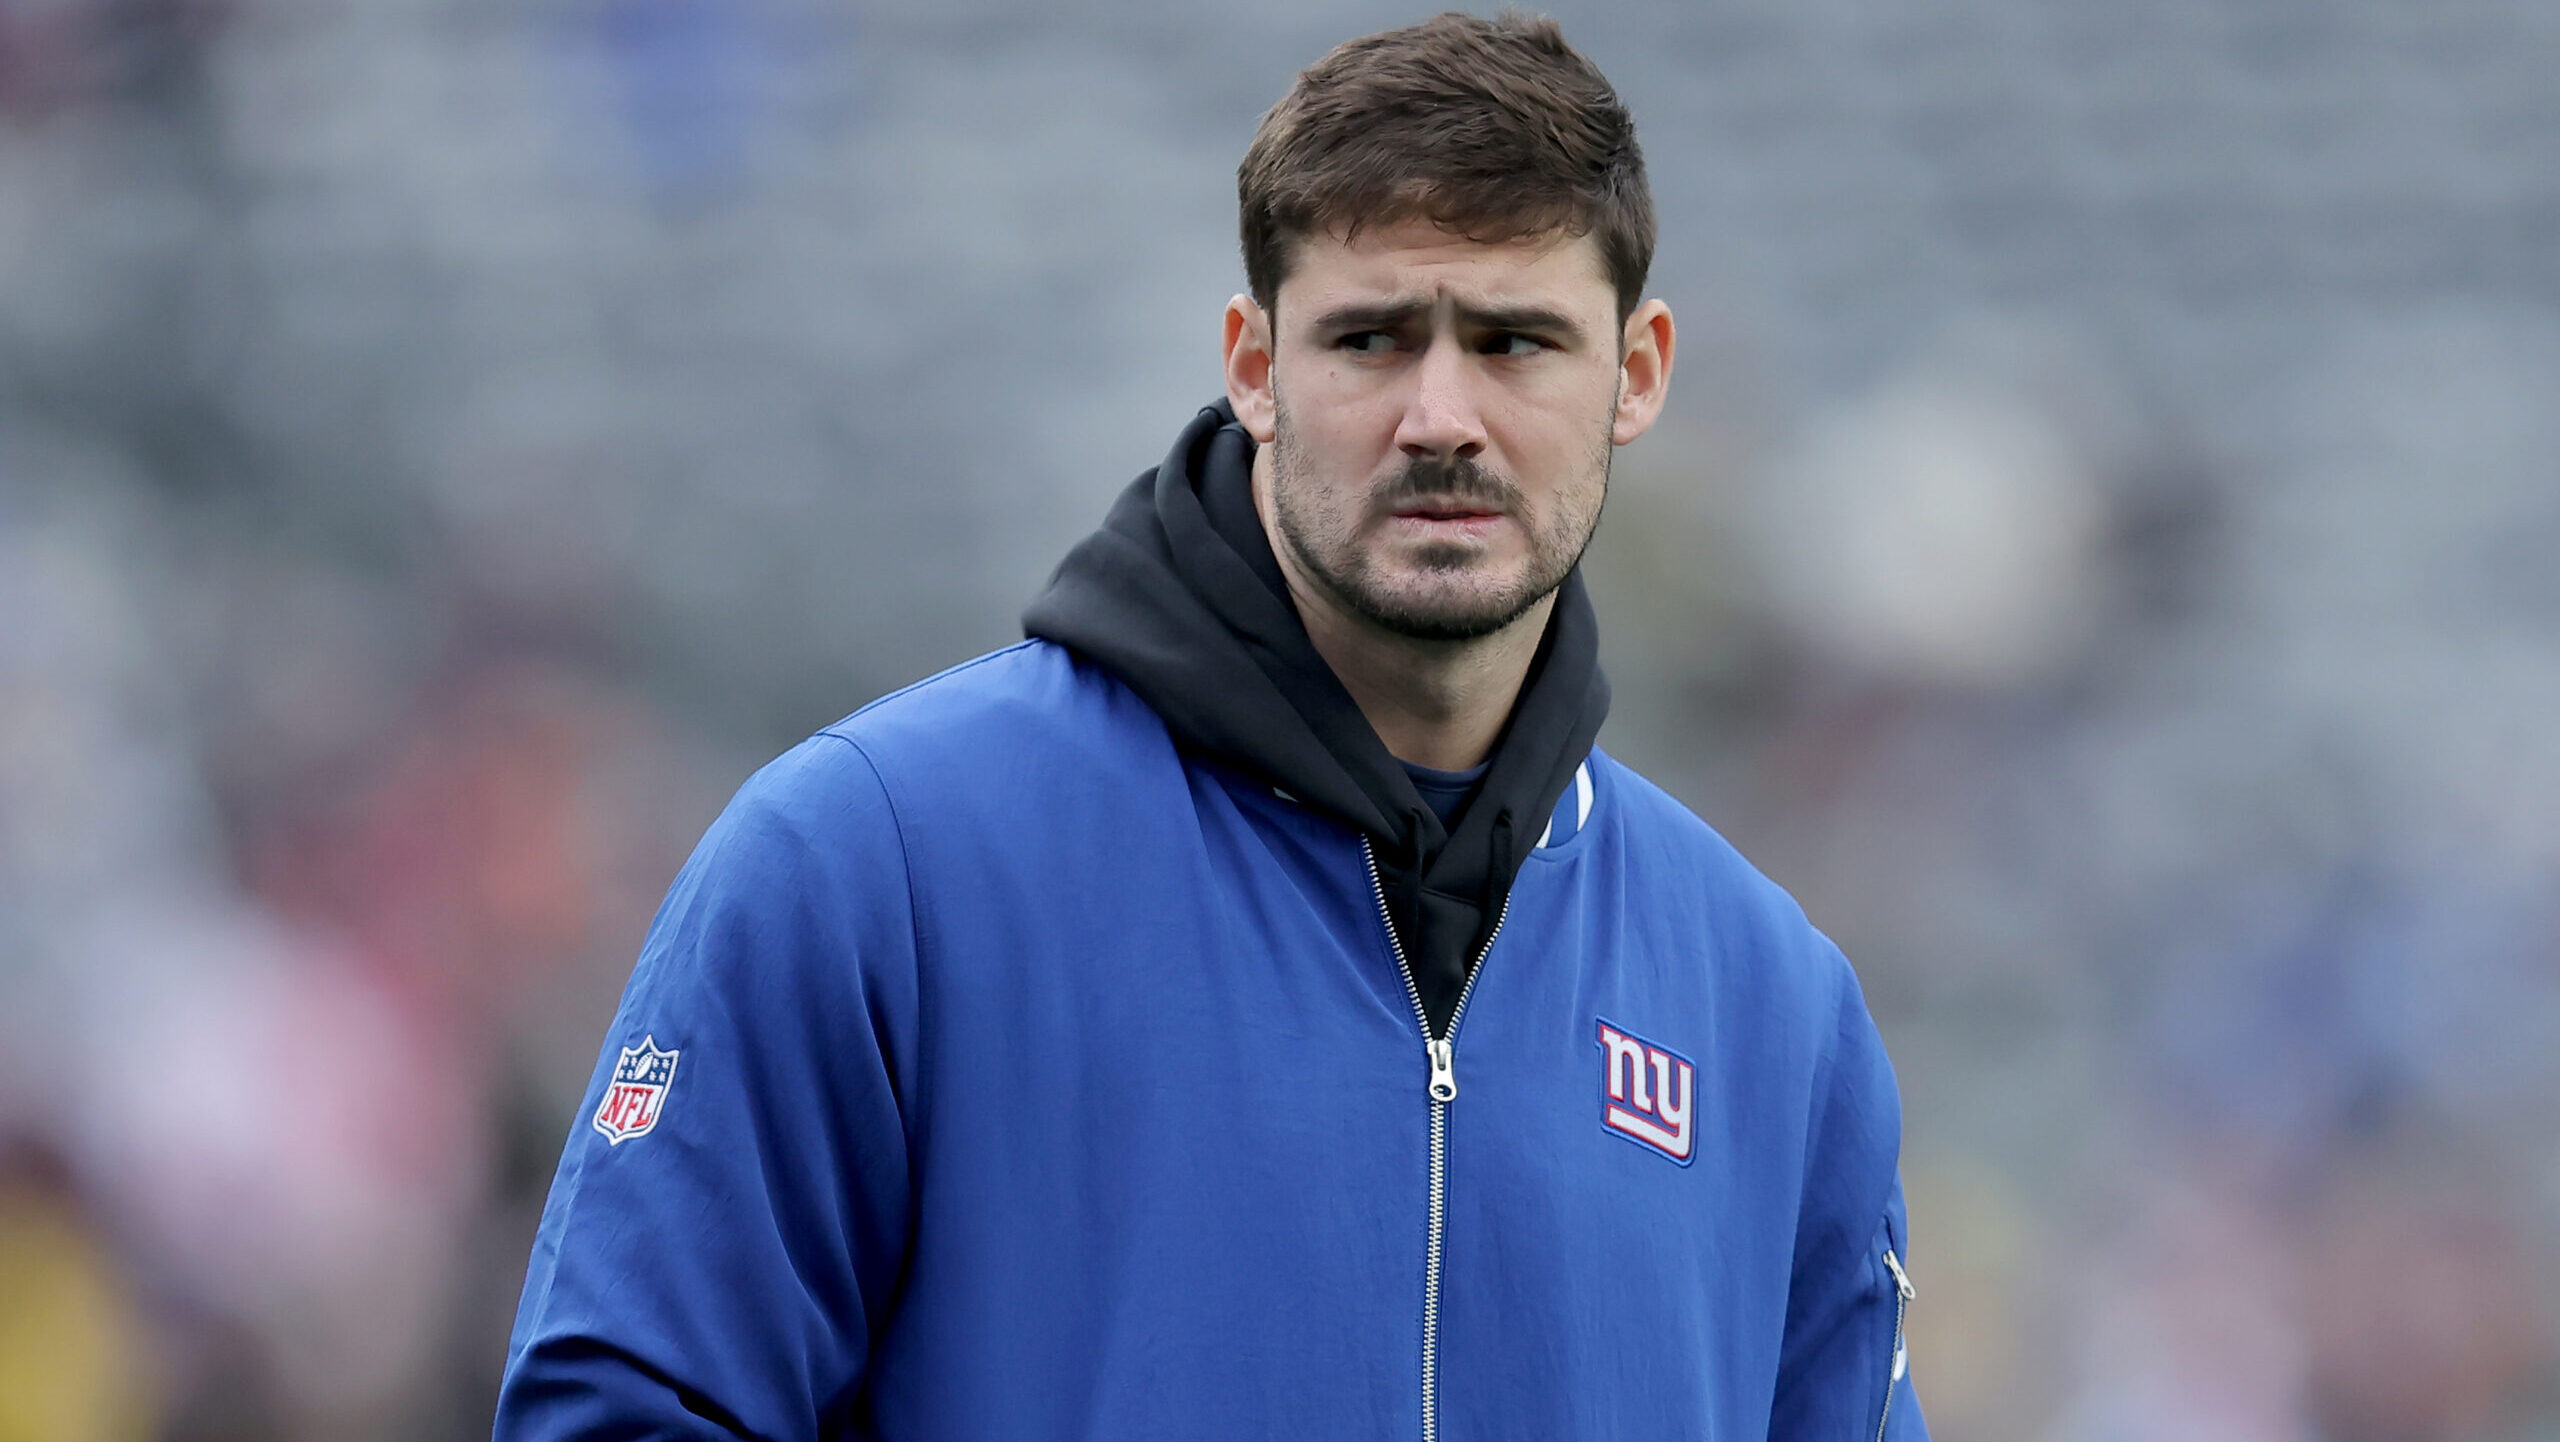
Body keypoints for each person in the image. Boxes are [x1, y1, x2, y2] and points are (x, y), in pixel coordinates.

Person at [496, 13, 1927, 1440]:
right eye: (1371, 337)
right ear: (1252, 363)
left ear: (1637, 372)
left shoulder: (1776, 1013)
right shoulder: (877, 862)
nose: (1443, 415)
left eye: (1515, 340)